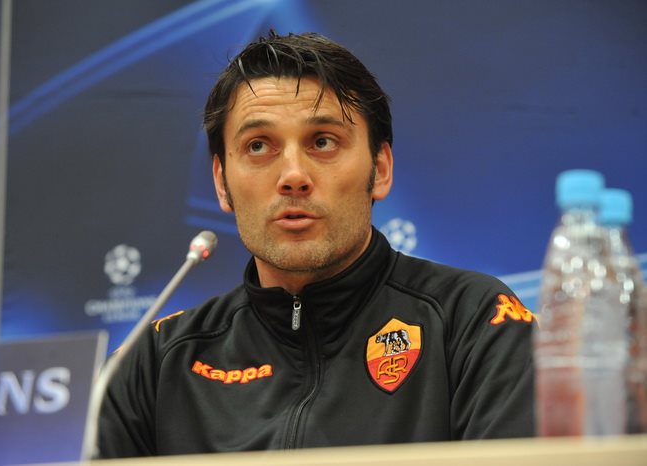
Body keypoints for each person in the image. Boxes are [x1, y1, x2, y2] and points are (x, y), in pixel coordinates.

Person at [98, 31, 535, 457]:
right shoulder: (154, 361)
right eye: (258, 146)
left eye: (323, 142)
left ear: (380, 169)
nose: (293, 175)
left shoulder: (473, 321)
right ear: (221, 183)